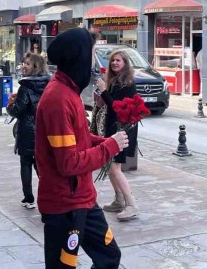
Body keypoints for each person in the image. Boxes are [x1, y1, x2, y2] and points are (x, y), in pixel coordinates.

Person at [36, 28, 128, 268]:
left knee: (109, 256)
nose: (94, 61)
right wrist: (109, 147)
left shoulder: (69, 91)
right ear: (79, 56)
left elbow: (78, 139)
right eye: (92, 53)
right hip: (65, 206)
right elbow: (68, 163)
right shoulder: (58, 98)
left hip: (84, 200)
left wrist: (105, 141)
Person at [95, 50, 140, 221]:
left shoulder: (127, 84)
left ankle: (131, 205)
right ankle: (119, 200)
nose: (114, 63)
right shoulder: (114, 81)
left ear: (125, 63)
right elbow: (108, 104)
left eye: (118, 60)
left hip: (122, 130)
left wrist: (104, 91)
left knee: (114, 168)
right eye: (112, 60)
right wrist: (102, 95)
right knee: (109, 166)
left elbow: (118, 108)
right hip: (112, 128)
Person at [6, 52, 50, 209]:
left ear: (36, 66)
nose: (24, 66)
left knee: (25, 164)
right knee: (41, 165)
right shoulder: (50, 84)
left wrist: (10, 104)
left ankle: (29, 198)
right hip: (45, 130)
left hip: (27, 130)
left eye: (27, 64)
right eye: (23, 63)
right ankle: (49, 196)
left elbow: (17, 110)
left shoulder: (25, 86)